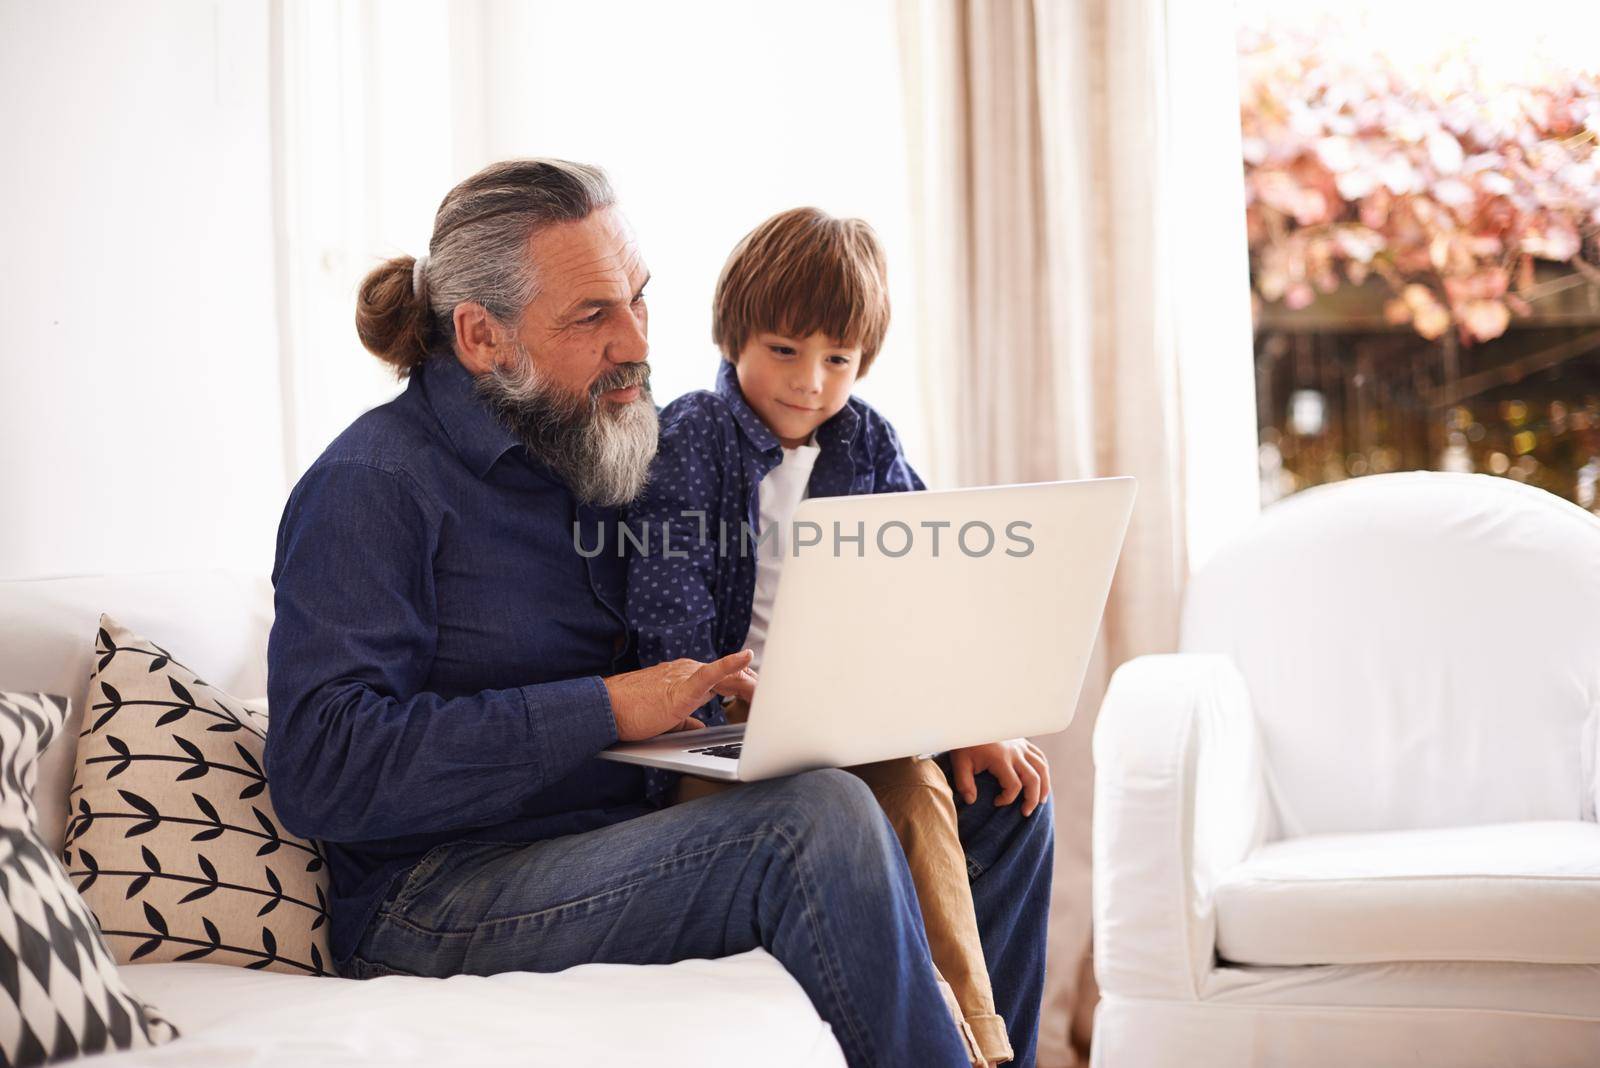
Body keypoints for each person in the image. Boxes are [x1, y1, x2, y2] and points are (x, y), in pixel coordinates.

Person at [263, 158, 1054, 1068]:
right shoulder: (373, 487)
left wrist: (945, 714)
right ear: (483, 336)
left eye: (640, 300)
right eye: (594, 314)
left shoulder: (597, 438)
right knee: (817, 820)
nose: (637, 341)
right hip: (438, 893)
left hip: (626, 829)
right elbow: (322, 766)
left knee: (1001, 800)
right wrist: (607, 706)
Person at [626, 207, 1055, 1066]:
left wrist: (971, 716)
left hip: (847, 724)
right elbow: (662, 629)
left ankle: (994, 1045)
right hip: (718, 741)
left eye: (839, 360)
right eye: (784, 350)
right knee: (905, 787)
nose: (810, 382)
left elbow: (932, 591)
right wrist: (731, 684)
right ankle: (977, 1045)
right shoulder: (688, 439)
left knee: (1008, 799)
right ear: (734, 334)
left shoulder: (867, 440)